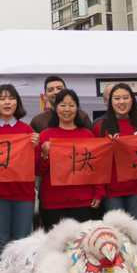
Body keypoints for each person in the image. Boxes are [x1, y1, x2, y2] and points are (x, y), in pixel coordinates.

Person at [0, 84, 36, 263]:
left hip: (24, 194)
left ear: (16, 103)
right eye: (2, 99)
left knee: (22, 242)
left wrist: (38, 149)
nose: (7, 102)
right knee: (0, 241)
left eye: (11, 98)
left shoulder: (27, 130)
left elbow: (38, 167)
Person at [36, 89, 104, 225]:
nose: (67, 109)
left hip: (82, 199)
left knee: (80, 242)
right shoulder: (45, 135)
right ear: (56, 108)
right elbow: (38, 171)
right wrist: (44, 155)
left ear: (77, 108)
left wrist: (98, 192)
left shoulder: (87, 135)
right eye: (62, 105)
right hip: (53, 200)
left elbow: (96, 168)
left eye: (71, 105)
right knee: (56, 244)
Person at [96, 84, 137, 221]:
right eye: (117, 98)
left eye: (126, 98)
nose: (122, 102)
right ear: (109, 102)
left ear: (132, 100)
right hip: (111, 189)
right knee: (116, 233)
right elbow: (95, 162)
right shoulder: (100, 127)